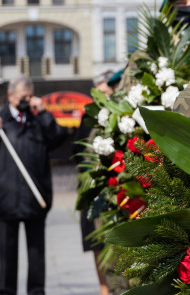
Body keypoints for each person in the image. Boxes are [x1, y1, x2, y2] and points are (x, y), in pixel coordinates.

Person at [0, 75, 68, 295]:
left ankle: (36, 291)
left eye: (31, 96)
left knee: (37, 253)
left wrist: (43, 113)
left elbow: (59, 138)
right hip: (7, 200)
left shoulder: (38, 120)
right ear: (10, 95)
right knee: (8, 254)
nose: (27, 100)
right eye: (24, 96)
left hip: (36, 199)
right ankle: (7, 291)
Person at [71, 68, 122, 295]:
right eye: (99, 92)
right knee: (95, 242)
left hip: (116, 188)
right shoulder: (88, 116)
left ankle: (116, 286)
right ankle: (103, 288)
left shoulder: (122, 114)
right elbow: (78, 151)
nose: (103, 96)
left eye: (106, 91)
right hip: (92, 188)